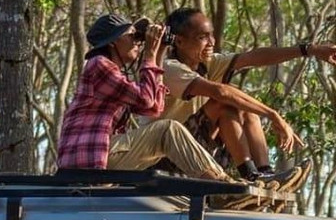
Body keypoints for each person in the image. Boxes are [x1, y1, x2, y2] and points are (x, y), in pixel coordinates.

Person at [156, 8, 336, 189]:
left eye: (211, 35)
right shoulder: (170, 68)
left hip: (199, 149)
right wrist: (273, 115)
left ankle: (264, 173)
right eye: (202, 37)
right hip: (169, 154)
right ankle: (251, 175)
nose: (212, 42)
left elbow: (254, 57)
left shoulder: (208, 64)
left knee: (245, 107)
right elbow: (221, 93)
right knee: (226, 102)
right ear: (179, 42)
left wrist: (309, 50)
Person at [57, 13, 231, 181]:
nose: (137, 42)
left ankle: (218, 185)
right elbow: (146, 100)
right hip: (88, 156)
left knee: (165, 130)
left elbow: (153, 108)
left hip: (98, 156)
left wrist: (159, 53)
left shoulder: (113, 72)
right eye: (132, 36)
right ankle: (220, 187)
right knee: (167, 129)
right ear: (113, 42)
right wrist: (149, 54)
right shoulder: (98, 64)